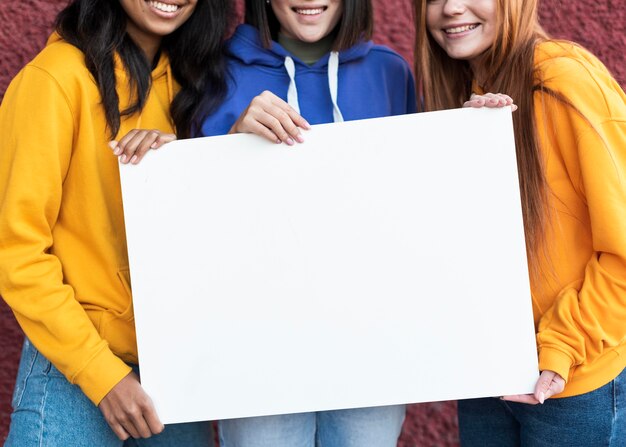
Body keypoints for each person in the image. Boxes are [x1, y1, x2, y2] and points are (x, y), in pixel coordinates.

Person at [0, 0, 231, 445]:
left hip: (175, 375)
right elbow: (17, 252)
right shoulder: (55, 79)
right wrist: (101, 374)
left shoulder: (197, 82)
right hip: (75, 372)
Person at [413, 0, 626, 445]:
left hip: (572, 381)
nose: (451, 8)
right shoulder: (462, 97)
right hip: (489, 372)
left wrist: (563, 347)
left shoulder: (566, 79)